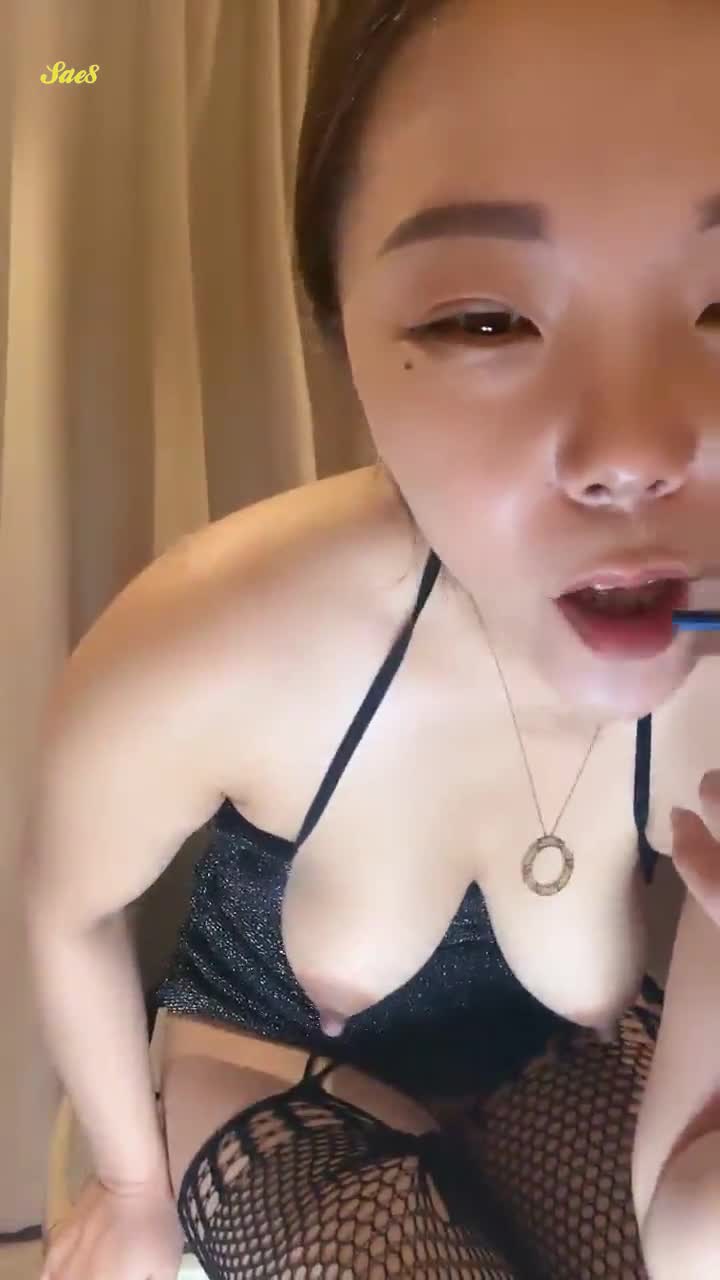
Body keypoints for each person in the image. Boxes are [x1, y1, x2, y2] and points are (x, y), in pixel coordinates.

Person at [25, 0, 720, 1277]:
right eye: (484, 320)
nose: (631, 455)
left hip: (568, 1066)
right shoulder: (219, 630)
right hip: (278, 1077)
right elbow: (67, 903)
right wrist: (128, 1184)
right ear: (339, 326)